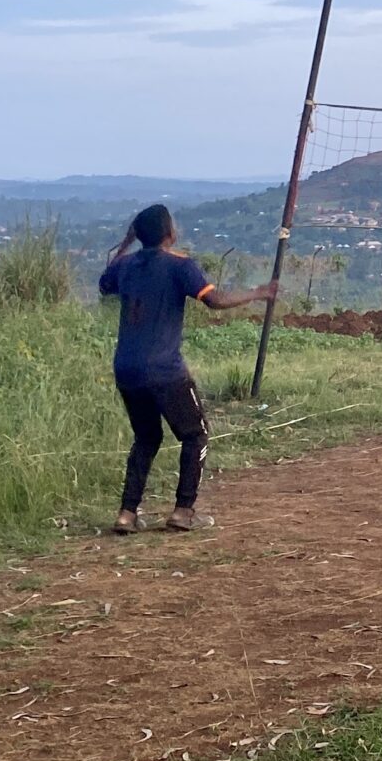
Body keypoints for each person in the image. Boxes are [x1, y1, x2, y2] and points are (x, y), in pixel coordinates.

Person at [100, 204, 278, 535]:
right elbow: (215, 301)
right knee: (195, 434)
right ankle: (183, 510)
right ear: (170, 233)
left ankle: (127, 513)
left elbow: (104, 283)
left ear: (139, 234)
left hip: (126, 368)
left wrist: (126, 243)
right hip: (165, 369)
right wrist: (259, 293)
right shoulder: (180, 266)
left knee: (146, 437)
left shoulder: (125, 265)